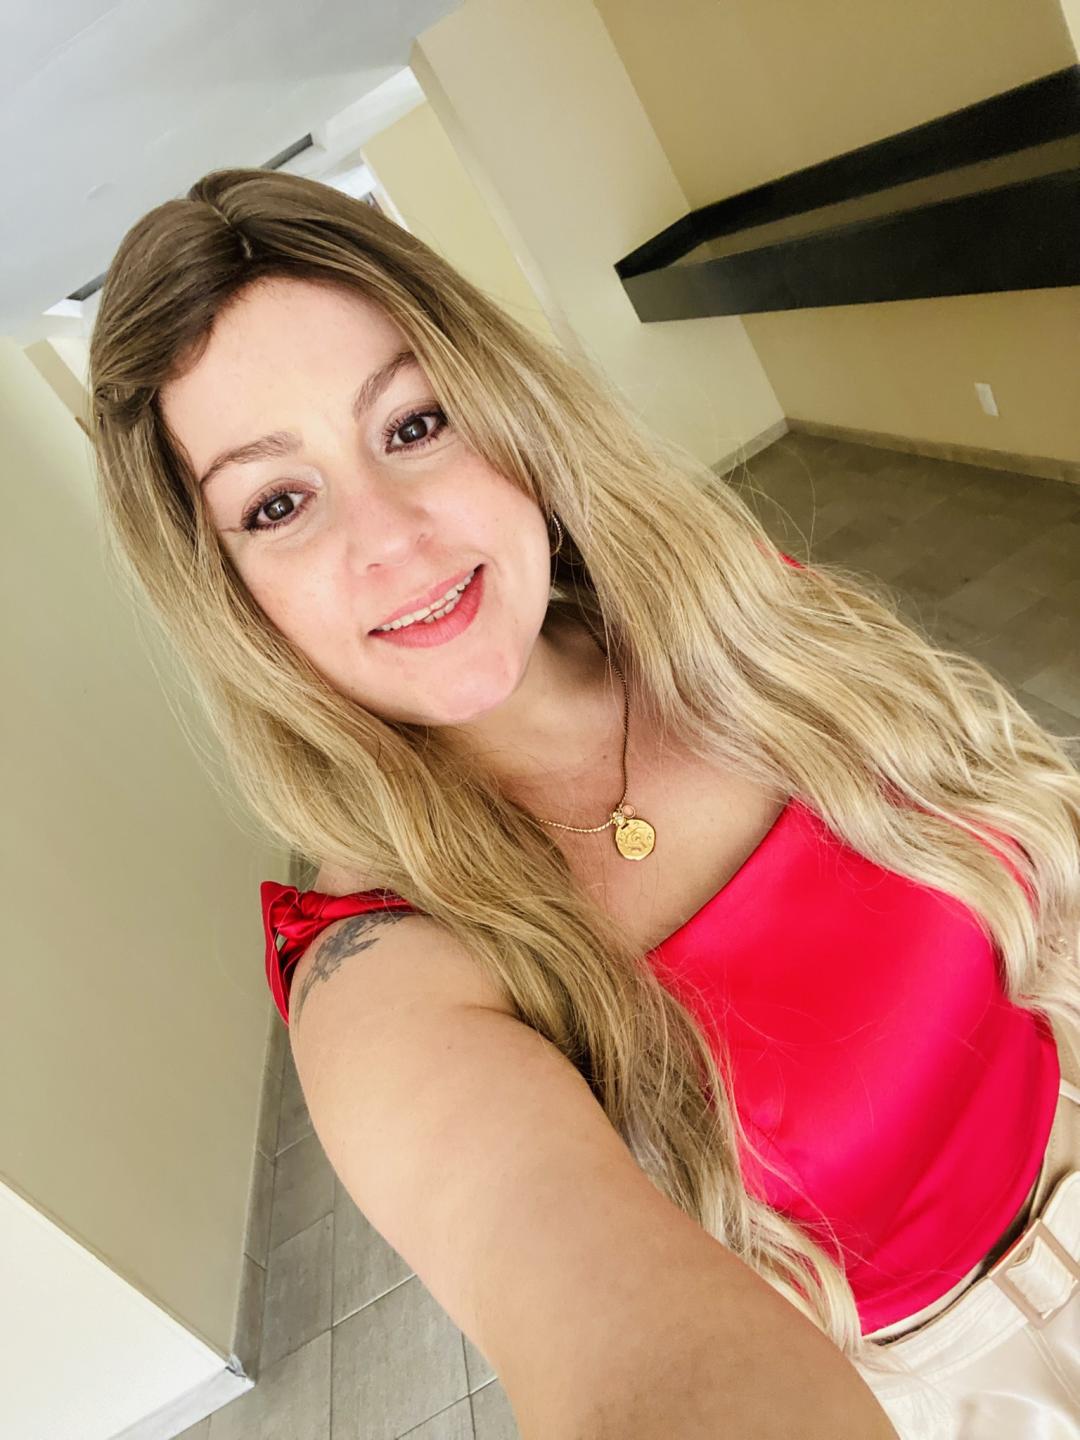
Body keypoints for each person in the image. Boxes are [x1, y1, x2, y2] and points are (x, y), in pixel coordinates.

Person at [88, 166, 1080, 1439]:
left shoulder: (739, 618)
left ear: (510, 419)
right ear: (229, 594)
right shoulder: (381, 980)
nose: (392, 539)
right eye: (276, 504)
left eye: (414, 424)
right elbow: (616, 1356)